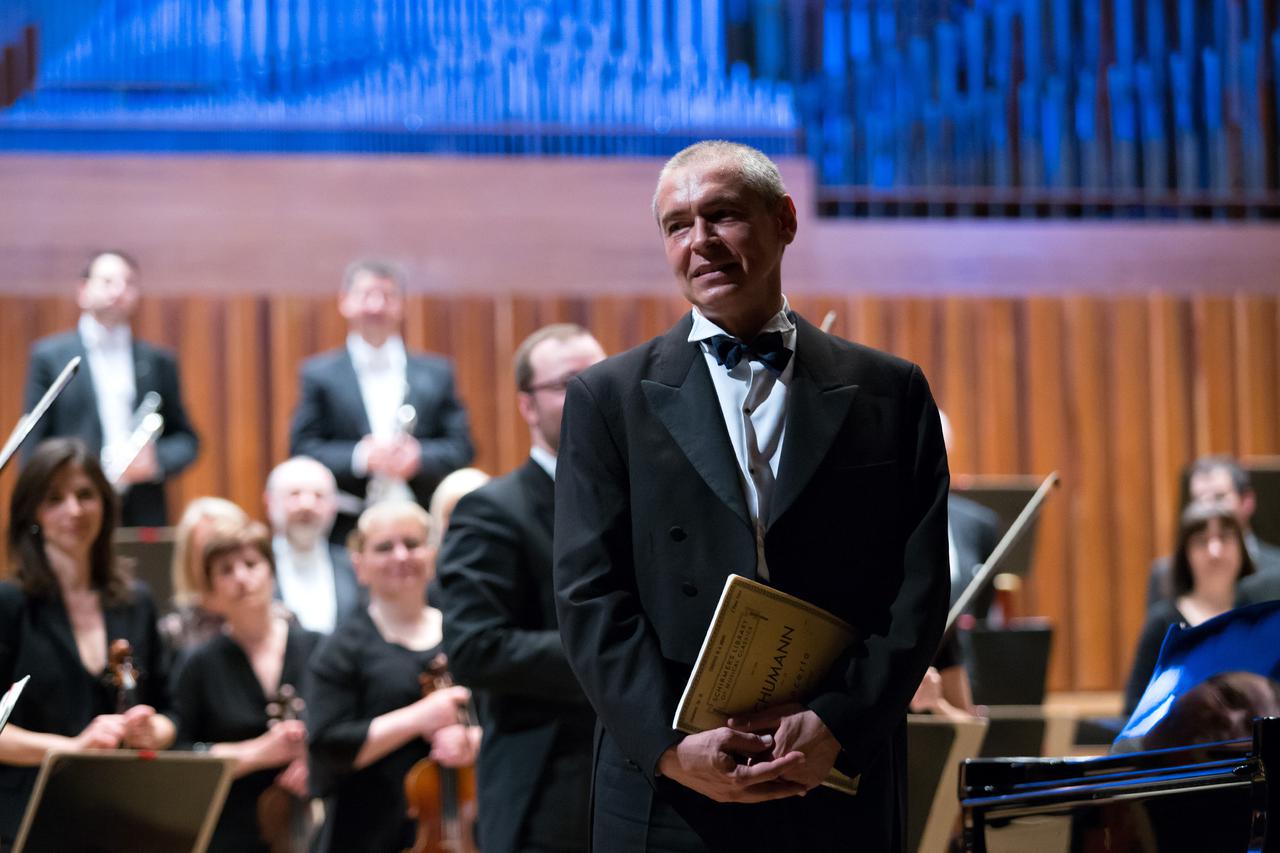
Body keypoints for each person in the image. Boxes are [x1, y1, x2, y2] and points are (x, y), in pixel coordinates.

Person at [553, 141, 950, 852]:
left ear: (786, 219)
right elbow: (589, 597)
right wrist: (673, 745)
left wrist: (837, 722)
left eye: (723, 215)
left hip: (836, 780)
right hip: (668, 794)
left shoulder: (893, 391)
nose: (699, 241)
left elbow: (917, 589)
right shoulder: (605, 399)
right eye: (678, 225)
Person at [436, 324, 605, 853]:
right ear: (527, 406)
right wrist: (617, 652)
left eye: (602, 379)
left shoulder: (639, 498)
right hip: (548, 781)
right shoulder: (491, 510)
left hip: (643, 774)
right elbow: (475, 649)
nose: (593, 395)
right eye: (571, 383)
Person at [0, 438, 176, 845]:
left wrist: (156, 730)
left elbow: (172, 710)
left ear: (105, 504)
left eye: (85, 495)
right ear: (33, 513)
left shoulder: (137, 601)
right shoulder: (10, 604)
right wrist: (70, 748)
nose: (74, 510)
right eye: (55, 498)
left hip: (121, 817)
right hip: (26, 823)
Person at [307, 501, 479, 853]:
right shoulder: (341, 649)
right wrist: (421, 717)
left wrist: (474, 740)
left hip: (468, 830)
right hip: (370, 833)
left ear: (431, 556)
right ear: (360, 566)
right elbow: (328, 748)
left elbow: (503, 717)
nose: (401, 556)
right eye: (384, 547)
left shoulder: (466, 634)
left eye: (412, 544)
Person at [288, 259, 475, 544]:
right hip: (346, 530)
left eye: (386, 296)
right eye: (366, 295)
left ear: (401, 305)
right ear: (345, 302)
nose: (376, 306)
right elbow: (303, 449)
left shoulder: (437, 373)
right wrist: (361, 457)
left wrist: (419, 457)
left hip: (423, 526)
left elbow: (462, 447)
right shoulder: (319, 375)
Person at [170, 519, 320, 853]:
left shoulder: (318, 648)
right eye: (225, 570)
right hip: (231, 834)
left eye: (252, 564)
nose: (241, 577)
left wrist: (318, 760)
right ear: (210, 589)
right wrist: (257, 753)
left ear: (272, 572)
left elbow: (348, 729)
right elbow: (179, 756)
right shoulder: (198, 664)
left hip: (317, 827)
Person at [22, 250, 200, 527]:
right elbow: (33, 440)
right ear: (82, 290)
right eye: (107, 281)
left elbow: (187, 440)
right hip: (73, 506)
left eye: (128, 283)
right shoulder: (50, 357)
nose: (118, 290)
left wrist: (156, 461)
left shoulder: (158, 361)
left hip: (140, 509)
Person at [1124, 500, 1256, 715]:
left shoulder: (1259, 617)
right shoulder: (1162, 622)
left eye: (1225, 538)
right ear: (1186, 554)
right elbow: (1133, 706)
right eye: (1202, 541)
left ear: (1241, 548)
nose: (1215, 551)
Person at [1146, 456, 1280, 609]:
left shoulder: (1278, 568)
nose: (1209, 507)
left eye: (1219, 497)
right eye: (1199, 499)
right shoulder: (1164, 576)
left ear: (1247, 502)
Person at [264, 456, 361, 634]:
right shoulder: (253, 568)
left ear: (334, 506)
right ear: (269, 502)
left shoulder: (355, 567)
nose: (307, 505)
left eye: (319, 496)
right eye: (294, 494)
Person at [159, 496, 250, 656]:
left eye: (232, 548)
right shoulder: (173, 632)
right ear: (189, 560)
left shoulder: (282, 622)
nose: (223, 563)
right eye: (210, 550)